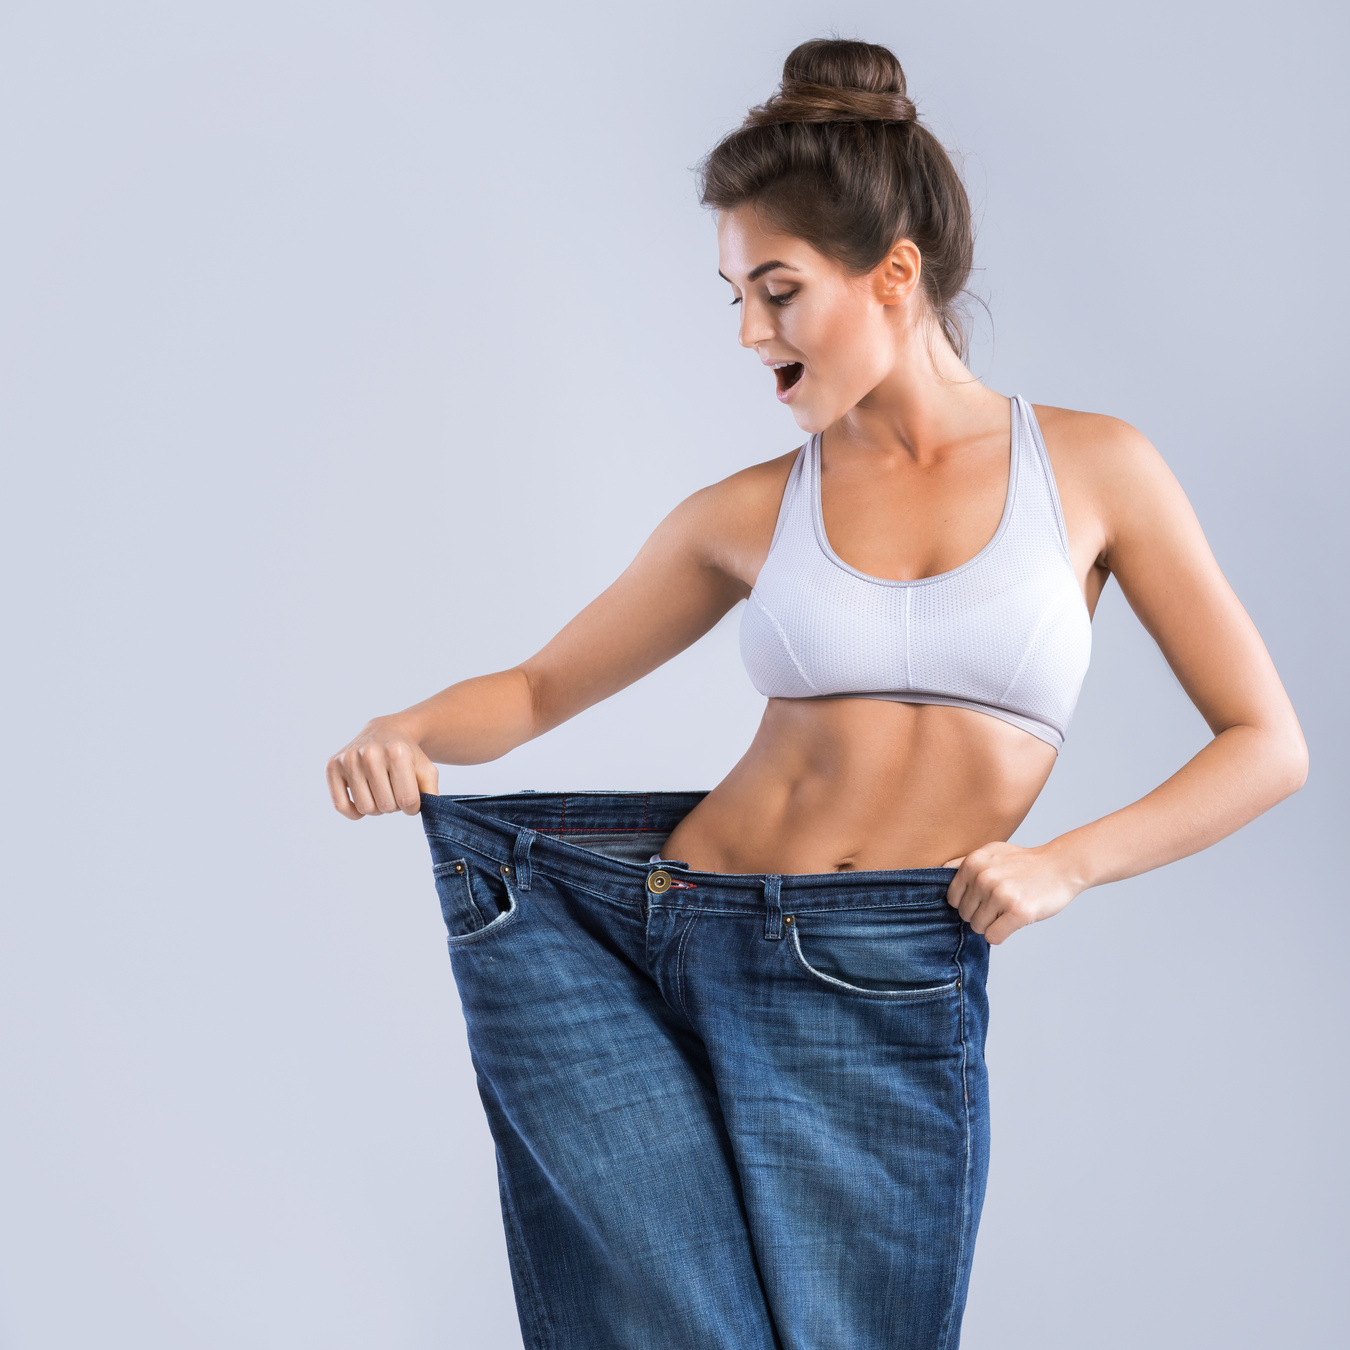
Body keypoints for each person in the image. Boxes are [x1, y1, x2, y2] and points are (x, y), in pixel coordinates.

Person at [325, 37, 1307, 1350]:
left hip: (875, 969)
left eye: (776, 291)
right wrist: (404, 730)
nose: (746, 332)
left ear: (892, 274)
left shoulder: (1091, 469)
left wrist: (1066, 864)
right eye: (732, 294)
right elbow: (538, 686)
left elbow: (1266, 743)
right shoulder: (744, 511)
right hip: (633, 936)